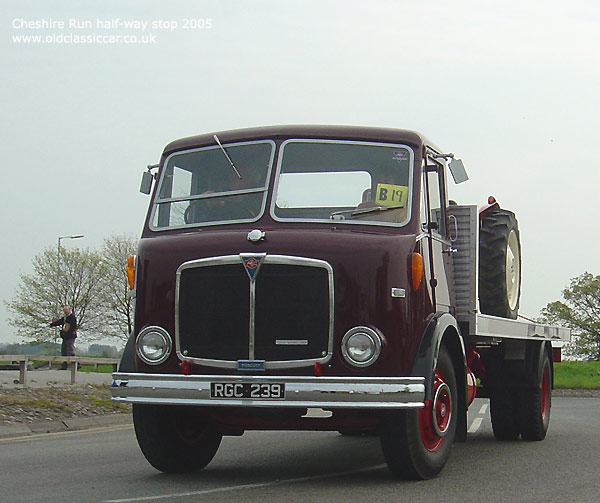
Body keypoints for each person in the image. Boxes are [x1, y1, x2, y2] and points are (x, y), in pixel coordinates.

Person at [50, 305, 78, 370]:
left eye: (66, 310)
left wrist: (67, 334)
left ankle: (77, 364)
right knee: (64, 351)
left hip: (70, 337)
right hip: (65, 337)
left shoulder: (72, 317)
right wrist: (52, 324)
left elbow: (73, 327)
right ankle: (64, 365)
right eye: (64, 310)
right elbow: (60, 322)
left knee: (70, 350)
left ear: (69, 310)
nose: (65, 311)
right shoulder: (65, 318)